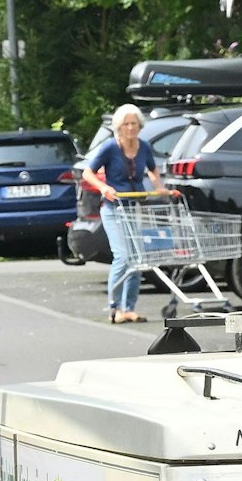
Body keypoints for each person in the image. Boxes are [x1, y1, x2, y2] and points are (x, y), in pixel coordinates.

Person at [81, 104, 167, 323]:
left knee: (137, 257)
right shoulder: (110, 148)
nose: (130, 128)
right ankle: (115, 307)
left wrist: (159, 187)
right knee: (123, 255)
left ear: (140, 126)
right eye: (126, 124)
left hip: (134, 207)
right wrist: (103, 187)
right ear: (119, 127)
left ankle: (129, 308)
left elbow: (152, 169)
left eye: (134, 124)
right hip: (113, 209)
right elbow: (87, 172)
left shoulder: (144, 147)